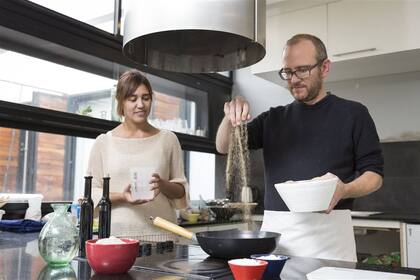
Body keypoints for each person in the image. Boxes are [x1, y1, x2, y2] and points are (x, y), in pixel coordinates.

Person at [216, 34, 384, 262]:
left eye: (302, 70)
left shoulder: (354, 114)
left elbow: (374, 175)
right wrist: (230, 116)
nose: (294, 79)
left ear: (324, 67)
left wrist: (344, 189)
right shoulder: (272, 119)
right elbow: (224, 146)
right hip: (278, 241)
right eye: (288, 72)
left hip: (331, 241)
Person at [87, 69, 189, 237]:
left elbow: (181, 191)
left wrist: (162, 184)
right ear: (121, 102)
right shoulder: (103, 142)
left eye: (146, 98)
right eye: (132, 99)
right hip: (116, 238)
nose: (140, 105)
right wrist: (123, 196)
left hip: (163, 236)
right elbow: (91, 194)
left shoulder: (168, 139)